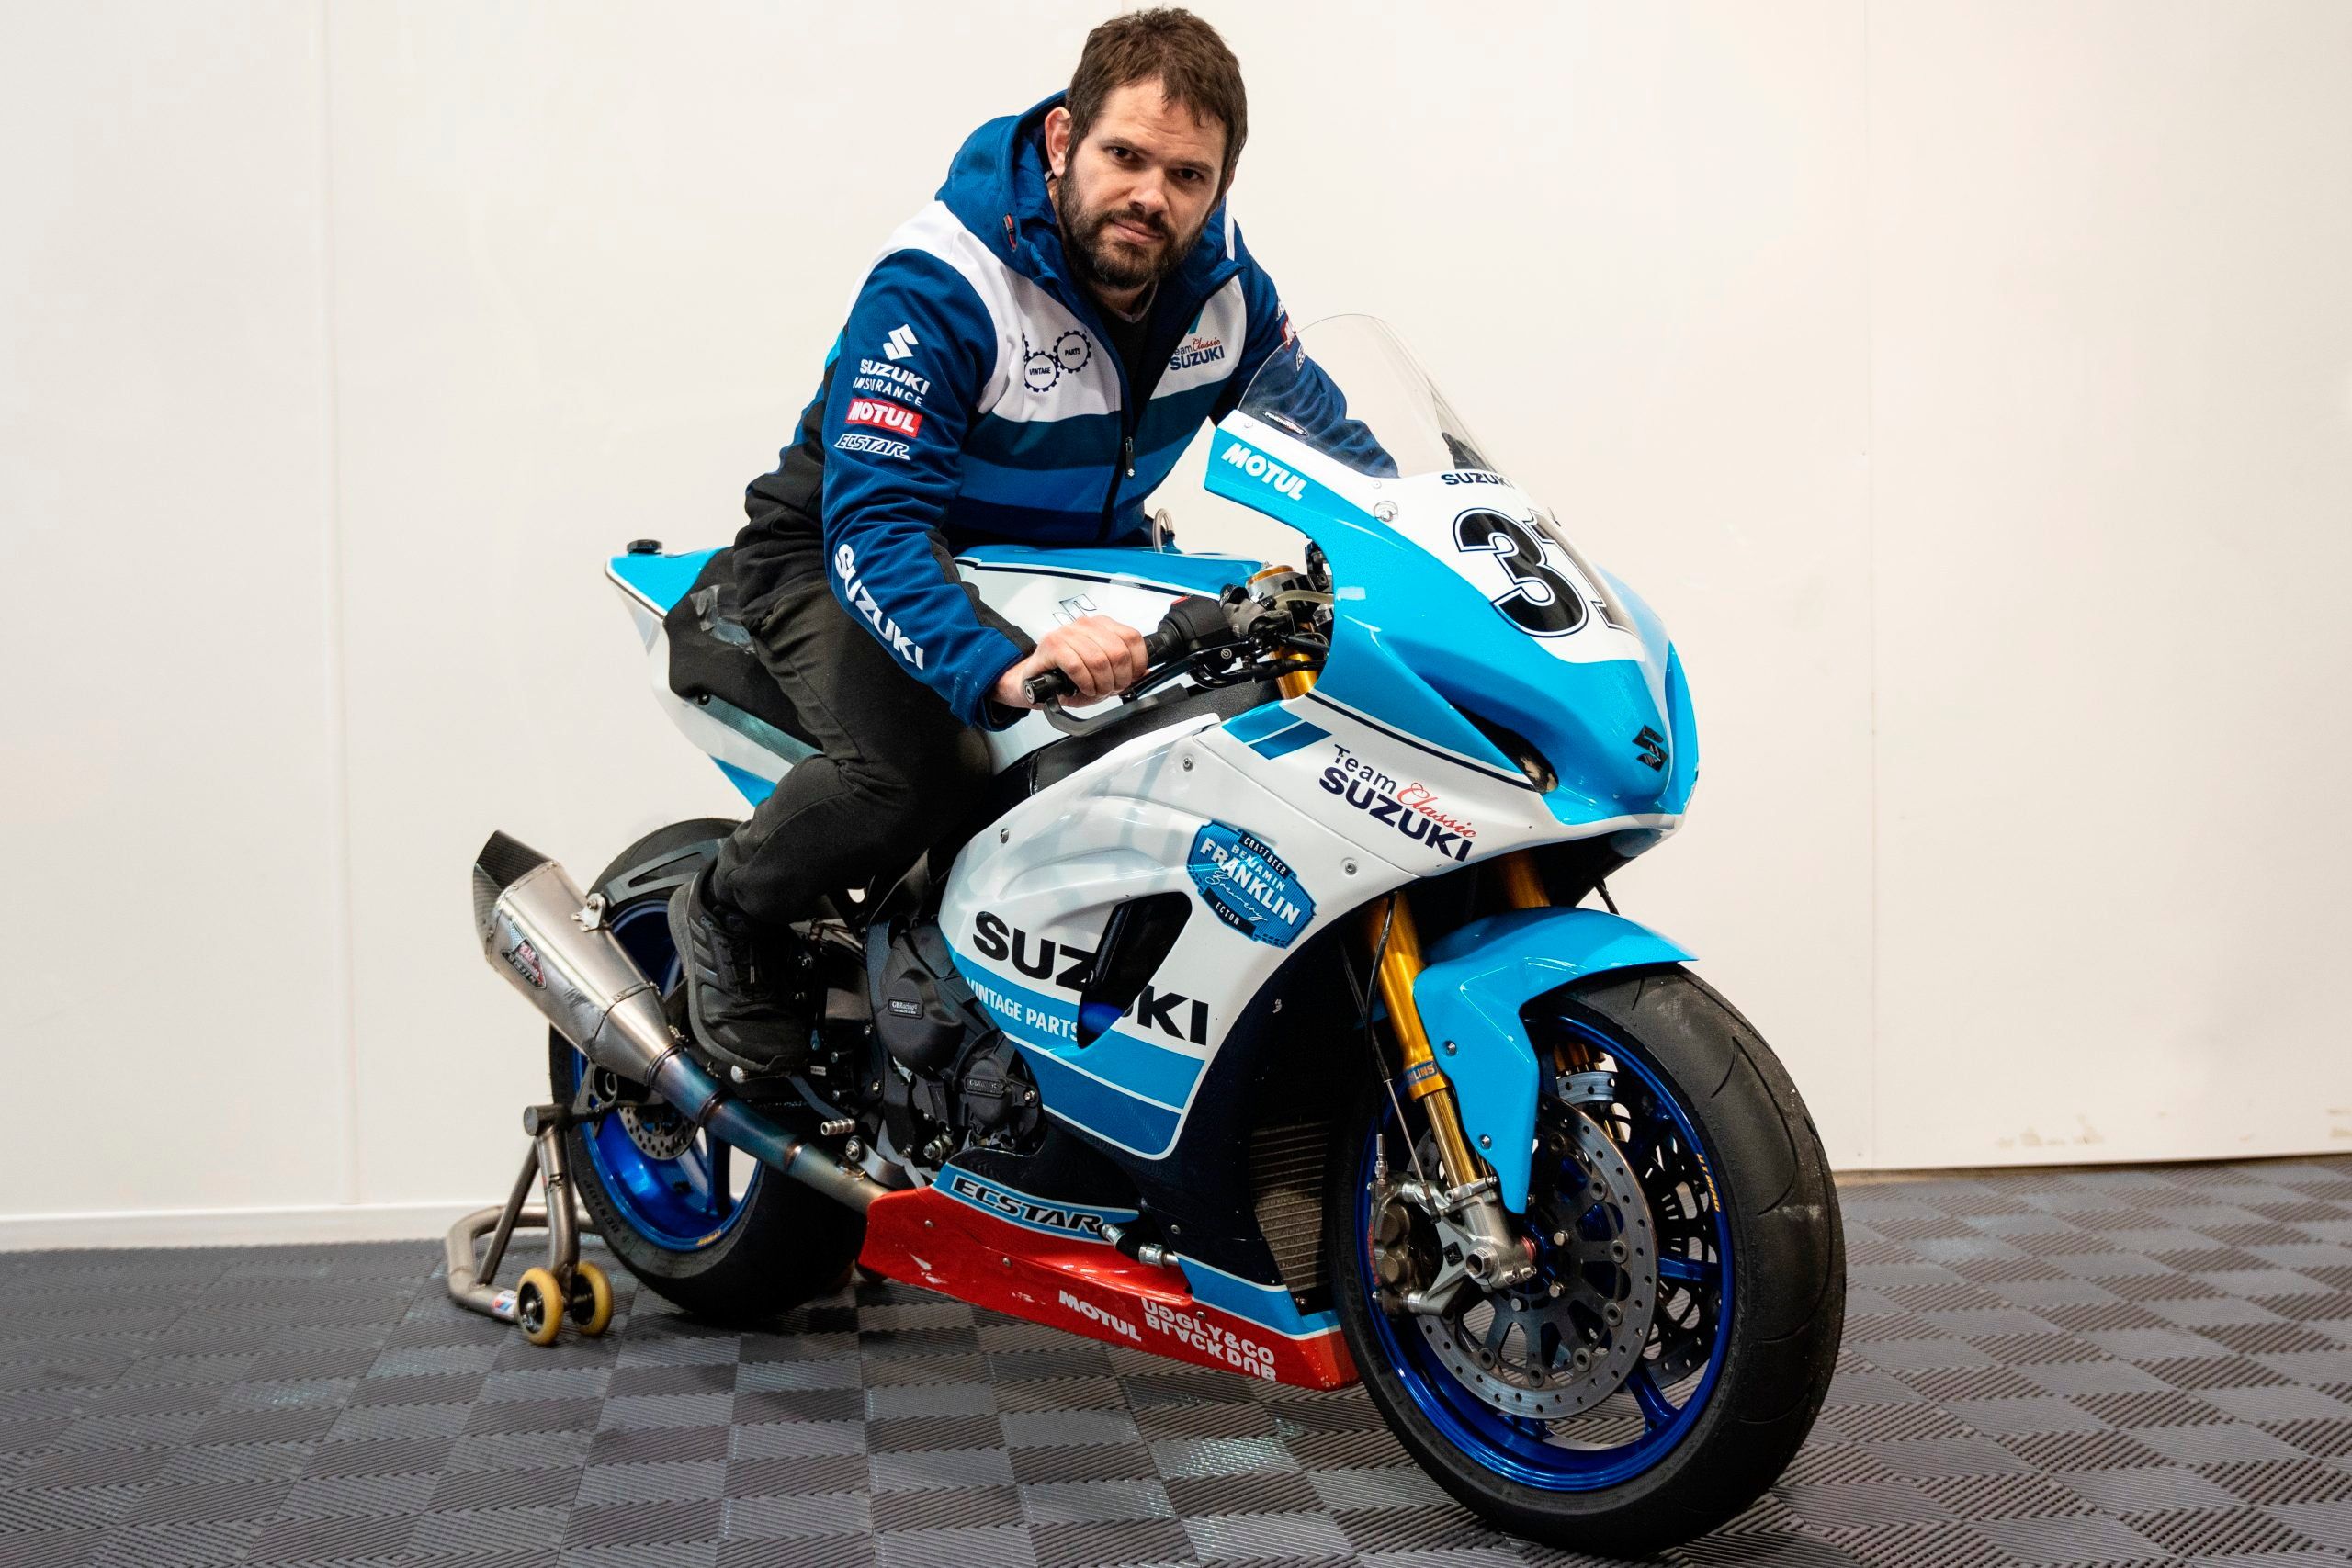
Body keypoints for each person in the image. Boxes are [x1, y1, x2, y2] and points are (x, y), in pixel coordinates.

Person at [671, 8, 1306, 1072]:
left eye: (1186, 176)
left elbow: (1328, 437)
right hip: (851, 556)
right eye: (1125, 156)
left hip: (1071, 562)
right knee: (918, 773)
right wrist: (997, 667)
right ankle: (725, 911)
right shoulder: (945, 284)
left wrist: (1440, 535)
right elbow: (874, 522)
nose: (1152, 195)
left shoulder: (1222, 291)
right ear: (1063, 141)